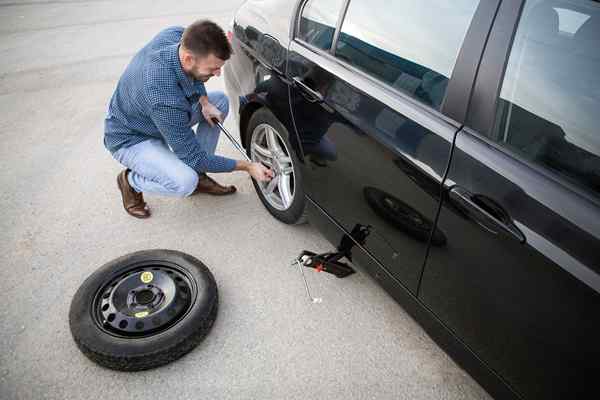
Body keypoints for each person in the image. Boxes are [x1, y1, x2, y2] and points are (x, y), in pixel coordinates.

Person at [104, 20, 273, 219]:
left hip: (155, 117)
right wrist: (247, 166)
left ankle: (200, 175)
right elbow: (194, 156)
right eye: (212, 69)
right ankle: (131, 181)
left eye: (218, 68)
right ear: (188, 59)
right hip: (131, 138)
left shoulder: (175, 35)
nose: (218, 73)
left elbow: (195, 75)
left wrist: (204, 101)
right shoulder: (163, 98)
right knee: (185, 182)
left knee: (218, 101)